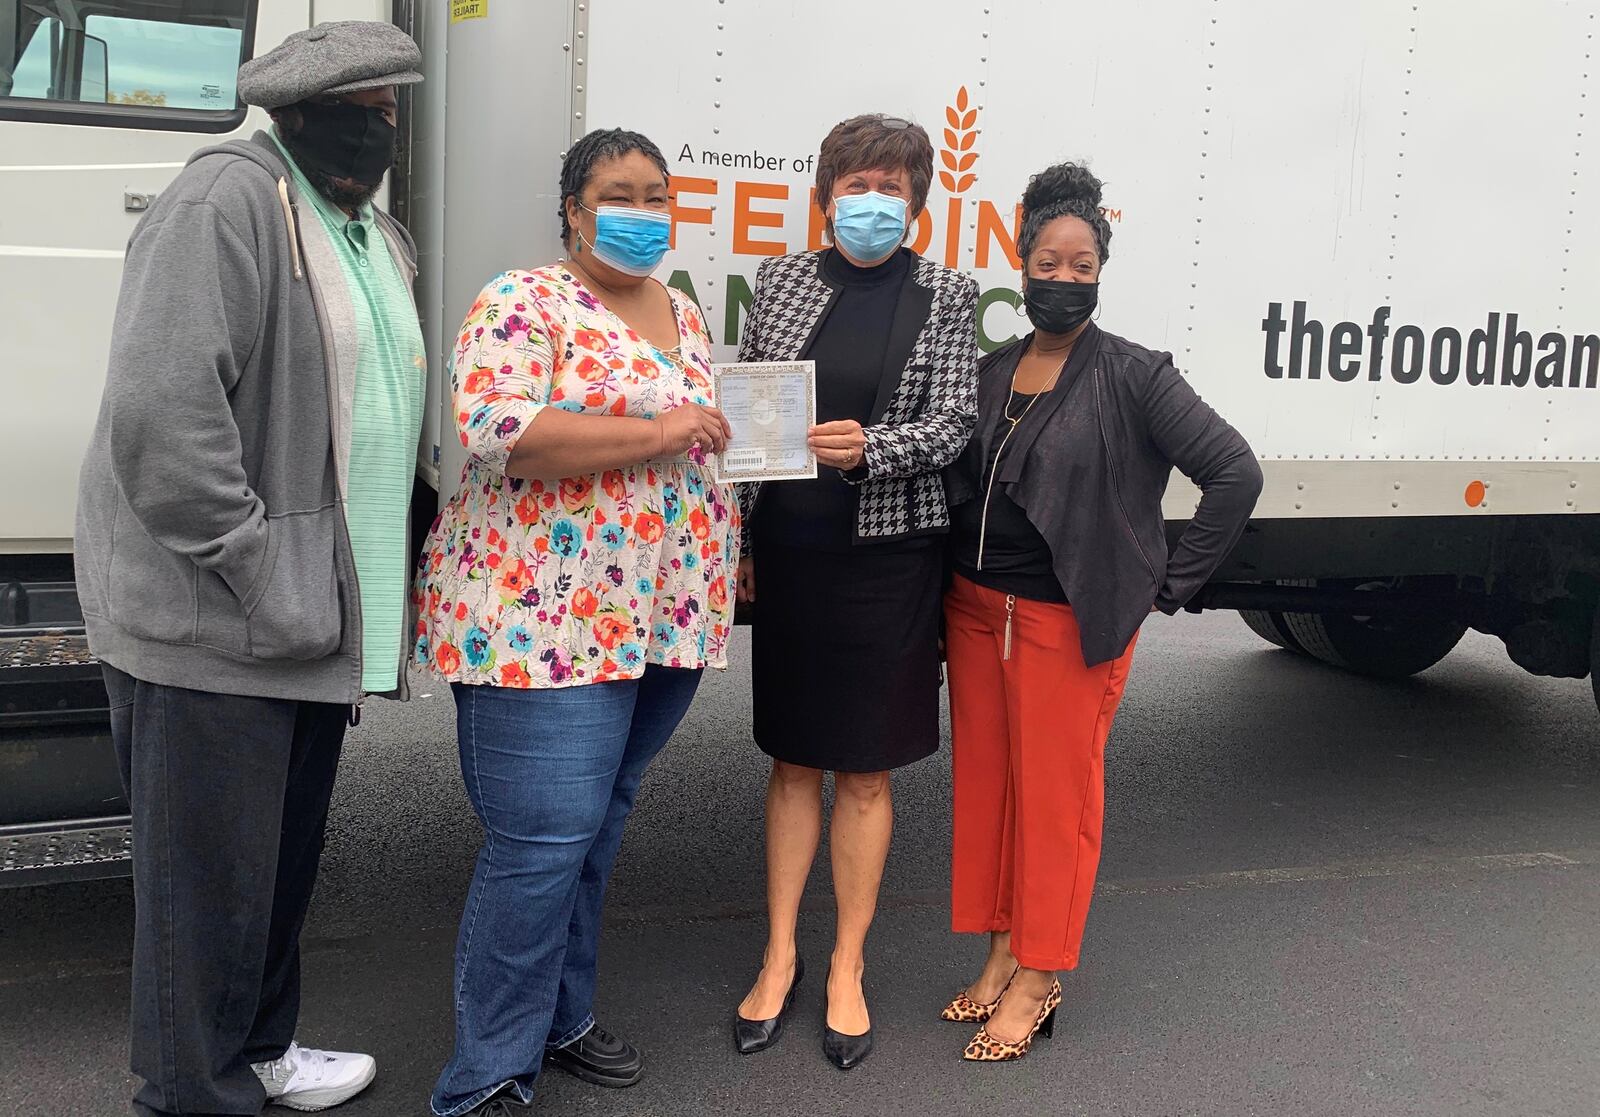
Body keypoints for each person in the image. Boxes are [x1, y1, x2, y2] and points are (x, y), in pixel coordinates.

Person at [71, 21, 426, 1115]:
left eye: (391, 106)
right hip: (219, 622)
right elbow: (161, 422)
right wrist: (261, 570)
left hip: (314, 621)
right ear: (300, 108)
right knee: (205, 895)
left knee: (271, 875)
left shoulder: (370, 228)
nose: (380, 124)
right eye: (362, 105)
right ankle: (191, 1091)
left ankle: (261, 1050)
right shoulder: (226, 201)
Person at [414, 128, 740, 1117]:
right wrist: (658, 429)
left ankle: (560, 1017)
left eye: (656, 194)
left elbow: (705, 446)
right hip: (541, 623)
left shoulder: (682, 312)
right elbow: (498, 431)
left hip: (659, 618)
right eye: (616, 193)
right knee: (542, 840)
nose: (639, 210)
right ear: (571, 208)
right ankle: (483, 1076)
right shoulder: (523, 300)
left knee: (595, 828)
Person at [941, 163, 1263, 1062]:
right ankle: (1002, 946)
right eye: (1050, 260)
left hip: (1065, 623)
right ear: (1022, 260)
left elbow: (1234, 472)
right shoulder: (992, 367)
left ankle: (1042, 975)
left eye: (1083, 265)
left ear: (1101, 269)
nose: (1065, 278)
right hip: (975, 613)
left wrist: (1166, 582)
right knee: (993, 791)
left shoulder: (1134, 373)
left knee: (1056, 801)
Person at [731, 113, 979, 1071]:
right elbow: (756, 403)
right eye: (854, 184)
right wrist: (742, 534)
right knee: (794, 759)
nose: (871, 202)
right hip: (795, 548)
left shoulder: (947, 292)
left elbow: (956, 421)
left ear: (918, 199)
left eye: (892, 186)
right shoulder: (787, 278)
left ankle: (847, 965)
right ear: (824, 193)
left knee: (866, 770)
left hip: (888, 558)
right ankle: (780, 953)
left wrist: (876, 448)